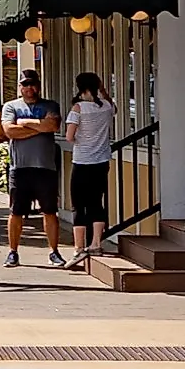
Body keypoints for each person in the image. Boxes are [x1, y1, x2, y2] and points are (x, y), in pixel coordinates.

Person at [0, 70, 66, 267]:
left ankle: (54, 252)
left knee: (50, 211)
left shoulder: (50, 105)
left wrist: (24, 124)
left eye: (32, 84)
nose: (29, 88)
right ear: (20, 87)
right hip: (20, 168)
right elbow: (9, 131)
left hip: (45, 167)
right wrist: (38, 127)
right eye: (25, 84)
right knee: (16, 212)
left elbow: (53, 125)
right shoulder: (11, 106)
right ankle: (13, 252)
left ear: (38, 85)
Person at [62, 72, 116, 265]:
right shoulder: (107, 106)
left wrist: (82, 141)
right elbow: (113, 107)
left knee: (79, 204)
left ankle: (79, 247)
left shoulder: (78, 108)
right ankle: (96, 244)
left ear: (79, 86)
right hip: (101, 161)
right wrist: (104, 92)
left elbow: (69, 137)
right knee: (96, 203)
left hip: (82, 161)